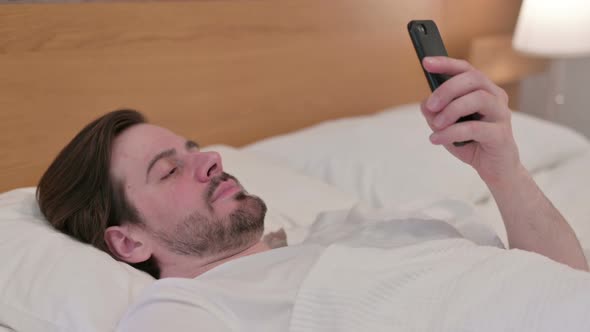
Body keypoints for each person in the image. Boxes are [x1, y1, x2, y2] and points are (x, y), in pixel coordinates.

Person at [36, 57, 590, 331]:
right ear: (127, 243)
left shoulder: (357, 225)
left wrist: (505, 172)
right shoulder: (188, 309)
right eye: (169, 169)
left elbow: (562, 282)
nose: (209, 159)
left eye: (194, 146)